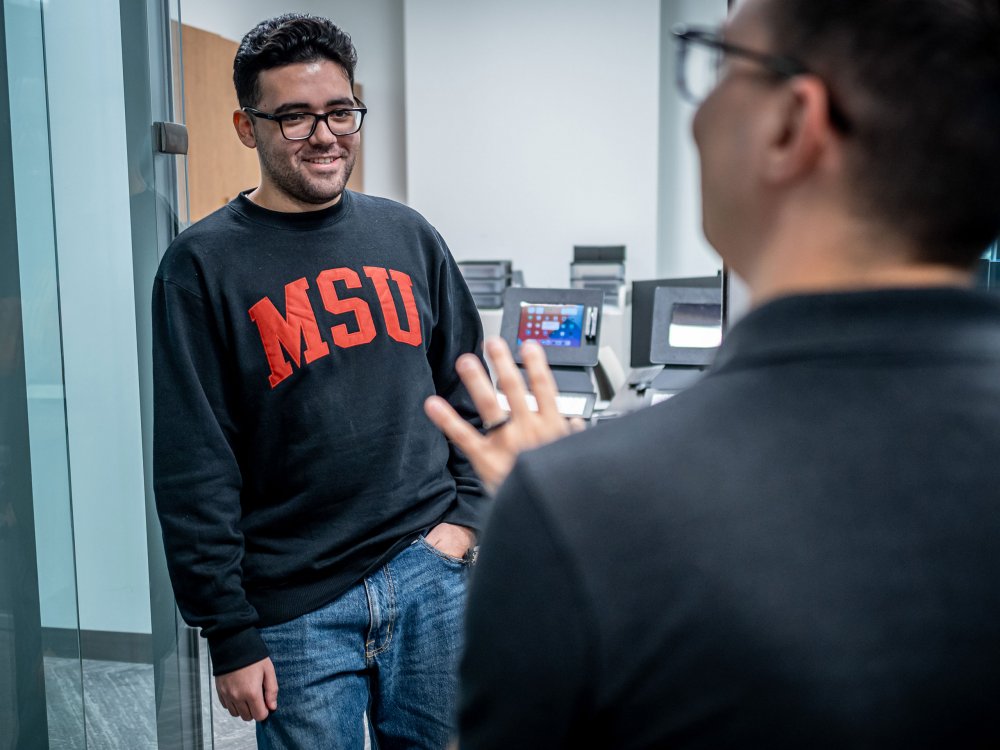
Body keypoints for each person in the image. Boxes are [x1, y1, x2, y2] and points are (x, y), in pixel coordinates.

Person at [425, 0, 1000, 746]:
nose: (696, 118)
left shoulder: (585, 511)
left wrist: (563, 524)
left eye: (721, 64)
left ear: (791, 125)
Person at [152, 13, 486, 749]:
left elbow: (470, 389)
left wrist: (464, 525)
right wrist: (229, 631)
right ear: (247, 126)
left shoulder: (409, 236)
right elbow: (193, 460)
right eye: (295, 116)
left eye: (340, 112)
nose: (325, 134)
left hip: (428, 573)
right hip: (296, 608)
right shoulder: (200, 266)